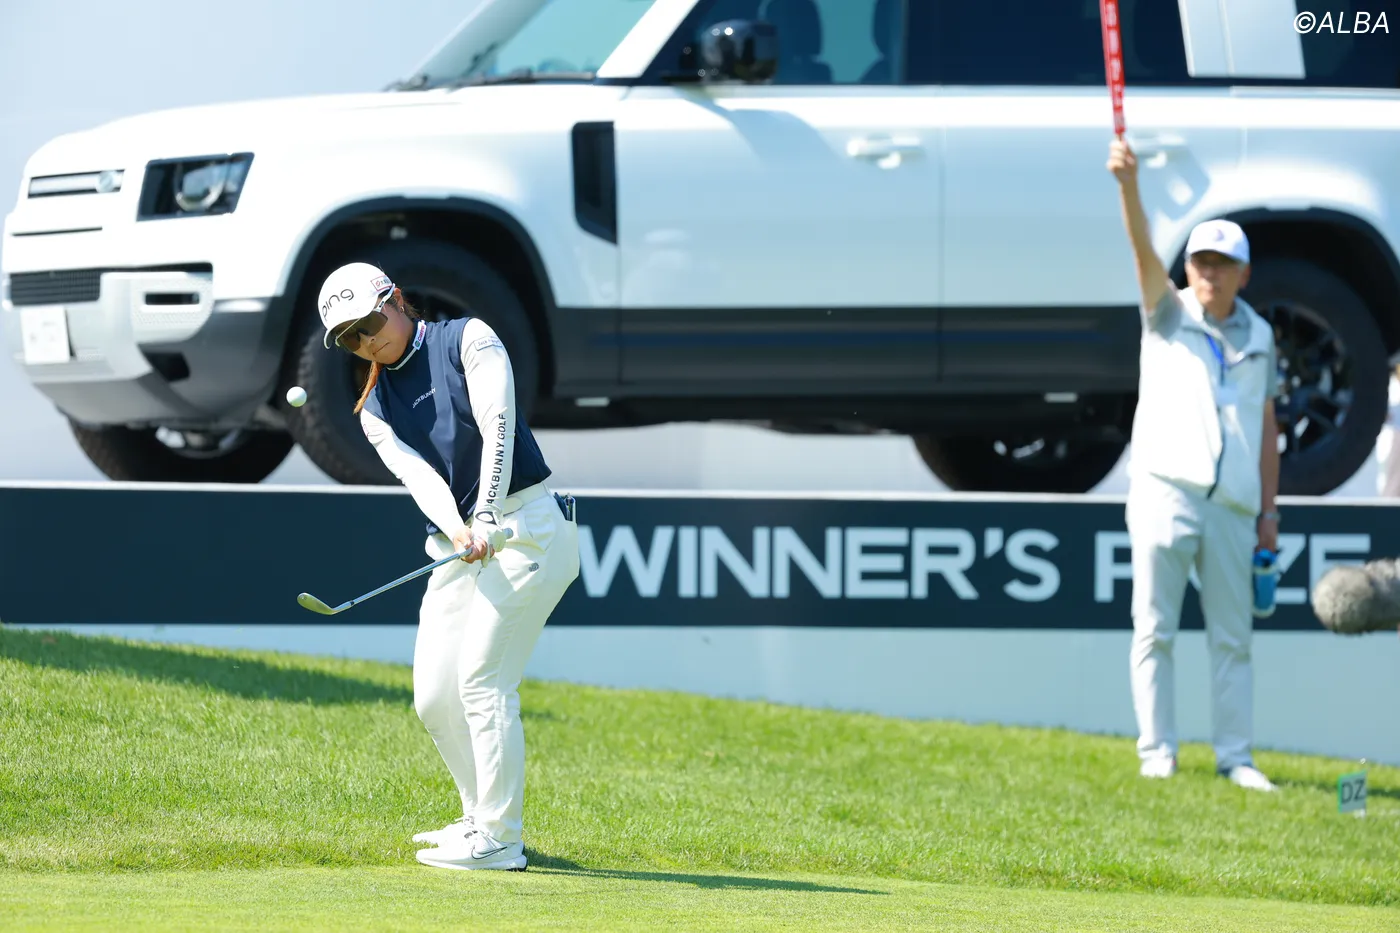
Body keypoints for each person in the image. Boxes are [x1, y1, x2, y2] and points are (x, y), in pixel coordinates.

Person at [317, 261, 581, 869]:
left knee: (483, 681)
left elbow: (497, 422)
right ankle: (477, 818)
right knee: (435, 697)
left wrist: (486, 511)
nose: (366, 341)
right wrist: (461, 527)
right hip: (462, 540)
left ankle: (501, 838)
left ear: (396, 300)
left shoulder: (469, 338)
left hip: (529, 527)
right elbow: (421, 479)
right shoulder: (374, 408)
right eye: (351, 338)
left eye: (369, 323)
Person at [1108, 139, 1281, 792]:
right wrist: (1129, 187)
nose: (1211, 273)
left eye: (1223, 263)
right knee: (1154, 629)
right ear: (1188, 267)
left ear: (1244, 272)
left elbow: (1266, 425)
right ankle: (1158, 753)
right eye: (1202, 261)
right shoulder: (1167, 312)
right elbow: (1140, 251)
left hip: (1234, 505)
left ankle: (1236, 757)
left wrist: (1269, 511)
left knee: (1233, 639)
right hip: (1165, 491)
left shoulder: (1261, 335)